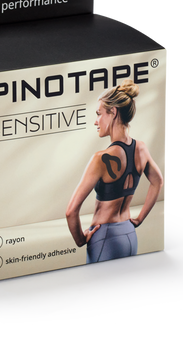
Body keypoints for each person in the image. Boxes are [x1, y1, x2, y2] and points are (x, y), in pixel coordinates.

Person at [66, 80, 164, 263]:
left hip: (105, 239)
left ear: (113, 112)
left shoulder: (100, 159)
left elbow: (71, 211)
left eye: (99, 114)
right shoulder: (141, 148)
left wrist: (80, 240)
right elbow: (158, 181)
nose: (95, 121)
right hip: (129, 234)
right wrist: (139, 219)